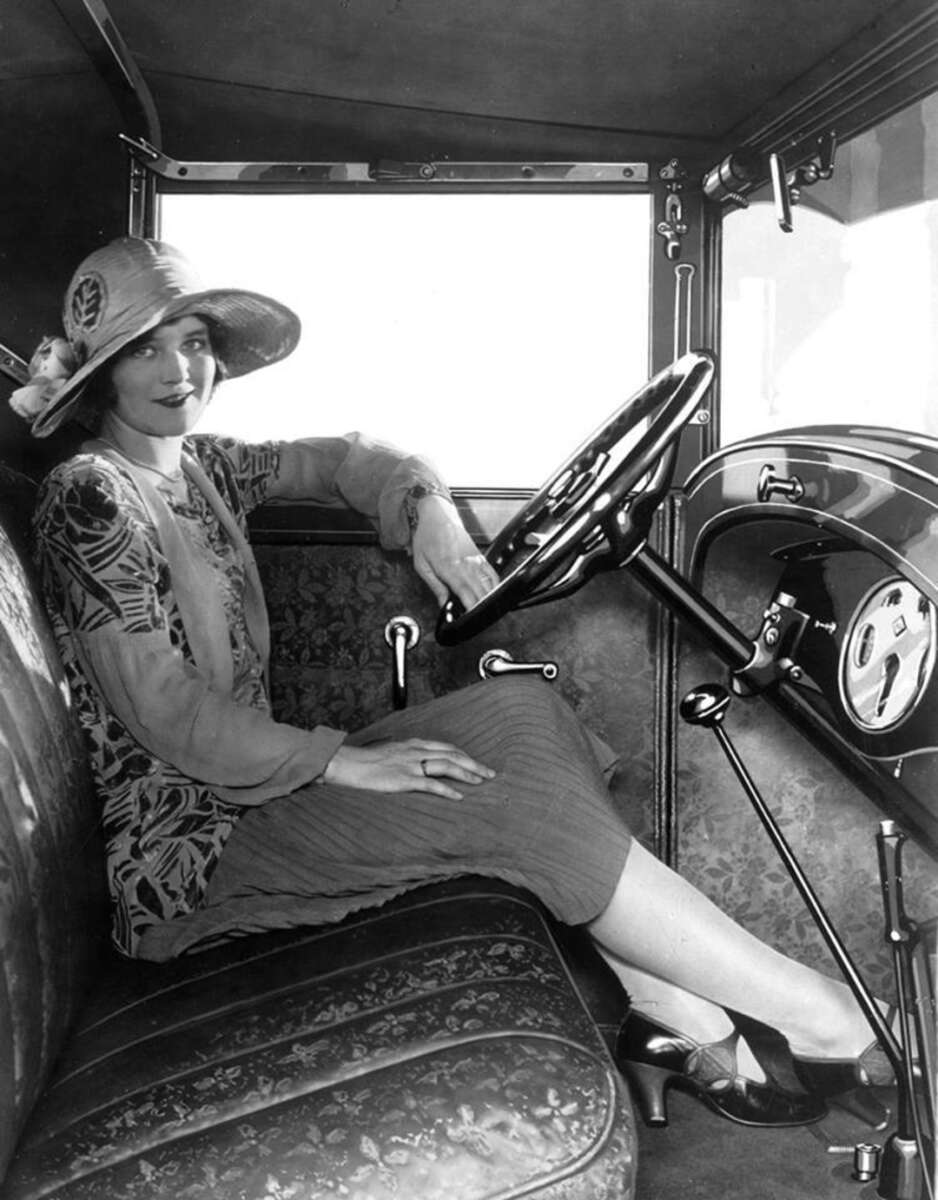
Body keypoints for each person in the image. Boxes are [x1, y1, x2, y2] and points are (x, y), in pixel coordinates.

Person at [11, 236, 897, 1131]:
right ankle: (823, 1018)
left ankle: (674, 1014)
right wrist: (340, 765)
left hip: (258, 788)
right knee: (507, 805)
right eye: (144, 349)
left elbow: (346, 455)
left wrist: (424, 507)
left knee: (524, 712)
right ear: (100, 377)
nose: (179, 369)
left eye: (195, 340)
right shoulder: (91, 495)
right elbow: (164, 713)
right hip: (190, 847)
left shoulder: (202, 467)